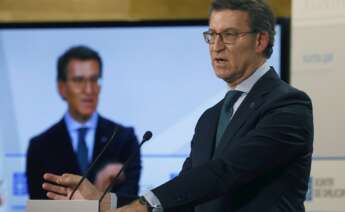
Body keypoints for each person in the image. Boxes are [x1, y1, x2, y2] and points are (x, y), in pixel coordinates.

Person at [42, 0, 314, 211]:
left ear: (260, 40)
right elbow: (186, 195)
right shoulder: (211, 118)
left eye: (229, 35)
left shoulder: (288, 106)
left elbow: (224, 173)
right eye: (212, 35)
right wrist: (107, 201)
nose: (216, 46)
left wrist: (142, 206)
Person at [26, 46, 141, 199]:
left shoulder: (123, 138)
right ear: (62, 88)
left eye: (94, 80)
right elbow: (40, 204)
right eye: (79, 80)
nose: (88, 90)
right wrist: (97, 192)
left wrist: (97, 197)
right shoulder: (40, 146)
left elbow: (130, 201)